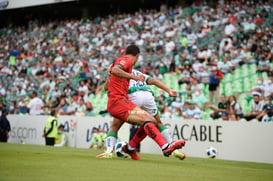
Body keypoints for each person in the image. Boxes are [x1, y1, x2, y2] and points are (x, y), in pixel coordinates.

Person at [98, 45, 185, 160]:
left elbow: (106, 86)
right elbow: (153, 80)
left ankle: (114, 150)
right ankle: (169, 146)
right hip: (139, 97)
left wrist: (111, 76)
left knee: (116, 126)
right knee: (156, 122)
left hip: (127, 99)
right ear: (137, 56)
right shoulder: (128, 66)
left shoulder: (125, 69)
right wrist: (168, 90)